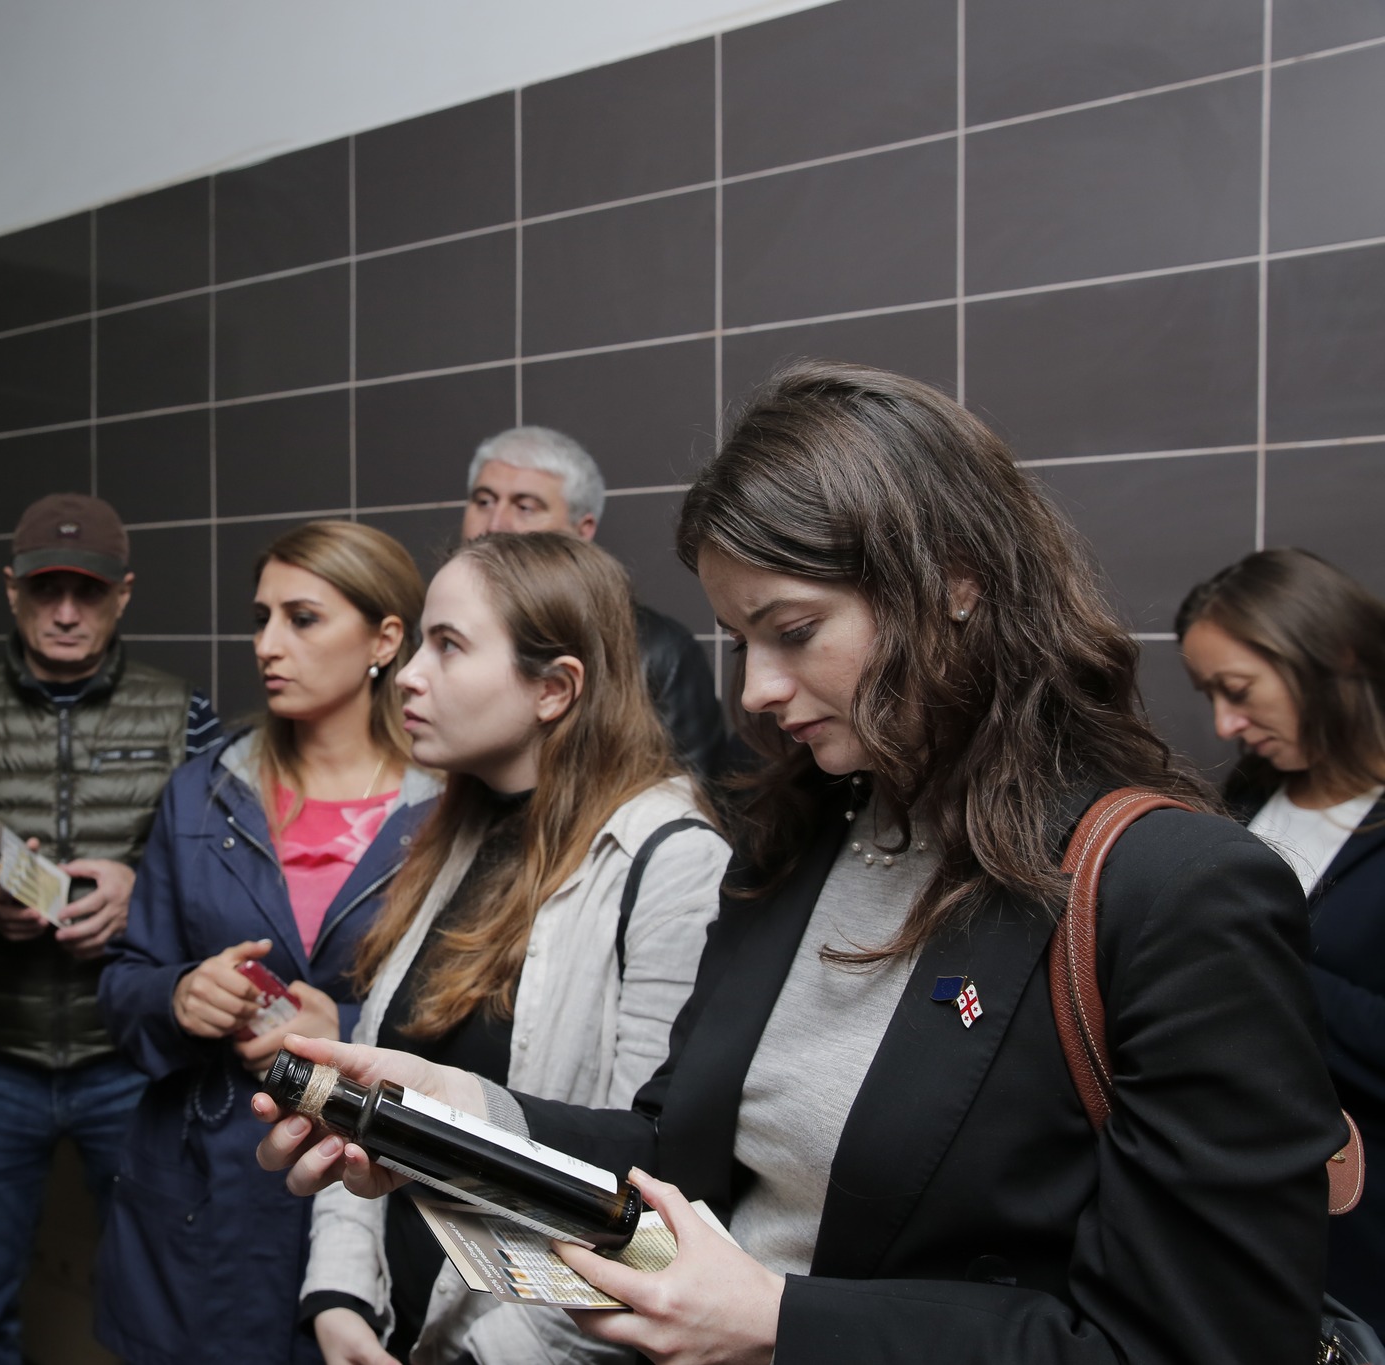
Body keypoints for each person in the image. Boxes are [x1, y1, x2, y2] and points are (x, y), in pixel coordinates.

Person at [259, 363, 1347, 1365]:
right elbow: (676, 1143)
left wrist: (780, 1324)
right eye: (743, 642)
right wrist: (462, 1115)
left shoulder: (1172, 891)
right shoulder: (800, 836)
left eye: (793, 630)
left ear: (954, 582)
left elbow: (1195, 1343)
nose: (756, 690)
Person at [302, 531, 728, 1365]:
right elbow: (370, 1089)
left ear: (554, 688)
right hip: (388, 1326)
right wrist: (340, 1296)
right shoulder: (448, 832)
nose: (408, 674)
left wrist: (482, 1357)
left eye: (448, 645)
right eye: (419, 642)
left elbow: (641, 1192)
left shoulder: (671, 860)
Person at [0, 491, 223, 1365]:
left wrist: (141, 895)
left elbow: (229, 887)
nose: (66, 611)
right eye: (45, 589)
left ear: (123, 594)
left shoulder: (185, 714)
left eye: (88, 590)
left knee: (163, 1293)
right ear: (12, 589)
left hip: (133, 1059)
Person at [95, 521, 438, 1364]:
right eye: (261, 618)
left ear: (385, 639)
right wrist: (180, 994)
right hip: (206, 1181)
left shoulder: (447, 809)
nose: (267, 644)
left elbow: (492, 1025)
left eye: (302, 618)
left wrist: (343, 1030)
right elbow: (123, 985)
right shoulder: (206, 791)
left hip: (371, 1186)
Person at [1177, 547, 1385, 1330]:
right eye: (1210, 696)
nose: (1225, 725)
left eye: (1237, 691)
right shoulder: (1242, 802)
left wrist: (1258, 956)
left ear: (1332, 654)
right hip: (1224, 1220)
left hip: (1357, 1246)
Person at [463, 425, 729, 781]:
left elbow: (694, 794)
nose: (495, 525)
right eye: (483, 501)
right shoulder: (433, 640)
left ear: (582, 530)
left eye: (525, 507)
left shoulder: (660, 652)